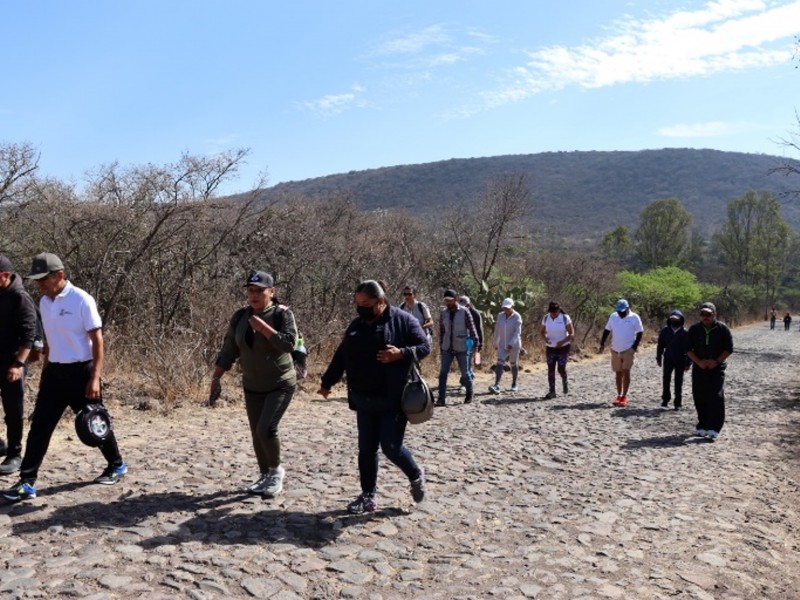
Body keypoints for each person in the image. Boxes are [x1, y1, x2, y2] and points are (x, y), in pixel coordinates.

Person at [3, 253, 127, 502]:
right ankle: (27, 482)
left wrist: (95, 377)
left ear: (59, 276)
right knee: (39, 427)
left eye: (43, 279)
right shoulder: (45, 302)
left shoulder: (82, 300)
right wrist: (47, 366)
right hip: (55, 374)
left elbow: (97, 342)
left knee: (94, 422)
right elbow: (51, 338)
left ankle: (116, 464)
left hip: (82, 372)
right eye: (36, 280)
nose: (39, 285)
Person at [319, 280, 430, 514]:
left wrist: (401, 353)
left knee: (391, 447)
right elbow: (342, 354)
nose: (361, 308)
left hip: (393, 398)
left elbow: (424, 346)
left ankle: (415, 474)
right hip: (364, 398)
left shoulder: (403, 320)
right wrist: (328, 381)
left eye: (366, 304)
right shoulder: (356, 325)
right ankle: (368, 495)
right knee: (366, 449)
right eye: (358, 304)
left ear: (381, 302)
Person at [211, 270, 297, 497]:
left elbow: (289, 344)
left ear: (272, 292)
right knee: (256, 432)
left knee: (266, 428)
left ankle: (276, 471)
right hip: (252, 384)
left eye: (260, 291)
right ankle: (265, 474)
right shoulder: (240, 317)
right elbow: (230, 347)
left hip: (280, 382)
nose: (255, 295)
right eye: (251, 290)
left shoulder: (282, 315)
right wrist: (217, 375)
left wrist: (265, 329)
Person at [0, 255, 38, 475]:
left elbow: (29, 335)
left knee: (13, 409)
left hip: (13, 362)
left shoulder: (19, 297)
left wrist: (18, 364)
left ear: (5, 275)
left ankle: (14, 453)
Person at [686, 302, 733, 441]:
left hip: (716, 368)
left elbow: (728, 348)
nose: (705, 317)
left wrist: (716, 361)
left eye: (708, 314)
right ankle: (703, 425)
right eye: (703, 314)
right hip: (699, 368)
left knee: (716, 397)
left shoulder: (722, 329)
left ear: (714, 315)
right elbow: (688, 349)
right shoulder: (694, 329)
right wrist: (699, 362)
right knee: (699, 396)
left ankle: (714, 427)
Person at [599, 298, 643, 407]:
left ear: (628, 308)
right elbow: (607, 330)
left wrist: (634, 347)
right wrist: (602, 343)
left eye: (622, 311)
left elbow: (640, 332)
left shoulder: (634, 317)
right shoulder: (613, 316)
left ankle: (624, 395)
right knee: (618, 373)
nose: (621, 313)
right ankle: (618, 395)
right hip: (615, 349)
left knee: (626, 371)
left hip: (628, 349)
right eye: (619, 311)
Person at [437, 289, 478, 406]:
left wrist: (475, 345)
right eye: (446, 301)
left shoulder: (465, 312)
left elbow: (472, 328)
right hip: (447, 348)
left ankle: (469, 394)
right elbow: (442, 331)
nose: (447, 303)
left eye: (449, 300)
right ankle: (441, 398)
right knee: (443, 373)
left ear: (455, 299)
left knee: (465, 373)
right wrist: (441, 347)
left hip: (461, 347)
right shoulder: (443, 313)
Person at [656, 309, 690, 410]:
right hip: (668, 358)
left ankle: (678, 402)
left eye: (676, 319)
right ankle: (665, 399)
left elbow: (689, 349)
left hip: (680, 359)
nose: (674, 321)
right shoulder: (665, 331)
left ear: (681, 320)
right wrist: (658, 357)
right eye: (672, 319)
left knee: (678, 381)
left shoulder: (685, 332)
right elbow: (660, 345)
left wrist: (688, 362)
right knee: (666, 379)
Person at [539, 301, 574, 399]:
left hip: (563, 347)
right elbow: (541, 331)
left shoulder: (564, 318)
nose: (553, 314)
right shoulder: (546, 318)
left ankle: (564, 379)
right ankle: (552, 391)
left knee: (561, 368)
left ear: (559, 310)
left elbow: (571, 334)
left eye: (555, 312)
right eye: (551, 312)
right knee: (551, 369)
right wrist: (545, 338)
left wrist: (562, 342)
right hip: (550, 347)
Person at [489, 298, 523, 394]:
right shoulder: (500, 316)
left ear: (513, 307)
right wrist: (495, 342)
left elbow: (517, 332)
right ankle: (496, 385)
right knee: (499, 363)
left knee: (513, 364)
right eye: (504, 308)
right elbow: (497, 330)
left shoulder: (517, 317)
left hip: (514, 345)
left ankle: (514, 383)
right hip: (502, 344)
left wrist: (511, 343)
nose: (506, 310)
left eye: (508, 308)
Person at [459, 296, 484, 381]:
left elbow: (479, 329)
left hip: (472, 339)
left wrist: (480, 343)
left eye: (465, 306)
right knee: (466, 360)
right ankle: (470, 375)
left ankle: (467, 379)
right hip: (462, 340)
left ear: (469, 305)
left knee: (469, 359)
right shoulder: (459, 313)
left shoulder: (476, 314)